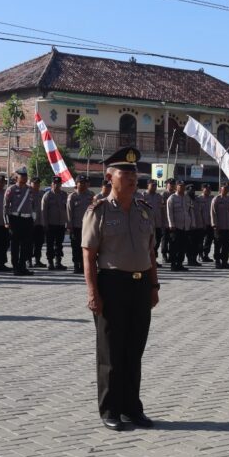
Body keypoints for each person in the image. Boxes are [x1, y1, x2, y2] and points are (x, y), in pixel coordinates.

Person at [81, 146, 159, 432]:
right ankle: (110, 408)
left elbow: (151, 253)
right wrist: (93, 293)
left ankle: (131, 407)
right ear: (110, 177)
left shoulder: (145, 211)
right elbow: (88, 255)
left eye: (134, 173)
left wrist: (154, 286)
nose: (132, 178)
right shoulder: (98, 211)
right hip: (111, 285)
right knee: (111, 352)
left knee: (134, 350)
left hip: (140, 286)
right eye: (125, 173)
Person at [5, 167, 36, 276]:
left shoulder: (30, 190)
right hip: (15, 219)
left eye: (25, 176)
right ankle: (16, 267)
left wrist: (33, 218)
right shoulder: (11, 189)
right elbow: (5, 206)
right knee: (15, 244)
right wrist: (7, 221)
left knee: (26, 245)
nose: (24, 178)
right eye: (22, 176)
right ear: (16, 177)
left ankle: (23, 266)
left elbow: (33, 205)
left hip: (27, 219)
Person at [67, 175, 95, 274]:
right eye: (80, 183)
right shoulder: (72, 197)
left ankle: (84, 265)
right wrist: (70, 226)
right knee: (76, 247)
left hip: (88, 227)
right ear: (76, 184)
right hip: (76, 226)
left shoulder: (91, 195)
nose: (83, 185)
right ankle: (76, 265)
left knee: (87, 247)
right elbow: (69, 212)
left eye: (84, 183)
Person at [42, 176, 69, 270]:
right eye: (54, 184)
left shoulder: (64, 195)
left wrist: (67, 222)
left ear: (61, 184)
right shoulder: (47, 195)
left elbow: (67, 209)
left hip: (61, 224)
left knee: (59, 244)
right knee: (50, 244)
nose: (56, 185)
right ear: (51, 184)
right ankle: (50, 262)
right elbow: (43, 211)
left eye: (58, 184)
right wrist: (45, 224)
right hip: (50, 224)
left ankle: (58, 262)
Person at [165, 181, 192, 271]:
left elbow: (189, 211)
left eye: (183, 186)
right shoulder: (172, 198)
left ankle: (180, 263)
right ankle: (173, 264)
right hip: (176, 227)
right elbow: (169, 213)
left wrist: (191, 223)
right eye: (180, 186)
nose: (182, 188)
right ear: (176, 187)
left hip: (185, 226)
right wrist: (171, 224)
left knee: (183, 246)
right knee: (174, 247)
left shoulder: (187, 198)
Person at [140, 179, 165, 268]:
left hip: (157, 223)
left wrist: (163, 222)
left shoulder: (159, 196)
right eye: (152, 185)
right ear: (148, 185)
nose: (154, 187)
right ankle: (146, 260)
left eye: (155, 185)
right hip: (147, 224)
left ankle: (153, 260)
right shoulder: (143, 196)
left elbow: (162, 210)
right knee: (147, 243)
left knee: (156, 242)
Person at [211, 183, 229, 269]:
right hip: (219, 227)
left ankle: (225, 261)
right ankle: (217, 262)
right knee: (218, 245)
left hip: (228, 227)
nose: (225, 190)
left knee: (226, 245)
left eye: (227, 189)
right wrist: (214, 224)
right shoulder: (216, 199)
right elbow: (213, 213)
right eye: (223, 189)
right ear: (220, 190)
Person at [28, 177, 46, 268]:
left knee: (39, 243)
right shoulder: (27, 193)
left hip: (39, 222)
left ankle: (37, 260)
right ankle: (29, 260)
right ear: (30, 183)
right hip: (30, 222)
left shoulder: (41, 193)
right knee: (29, 243)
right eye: (35, 183)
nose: (37, 185)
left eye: (38, 183)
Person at [196, 183, 215, 263]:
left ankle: (206, 255)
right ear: (202, 190)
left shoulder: (212, 199)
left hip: (210, 223)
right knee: (200, 241)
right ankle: (200, 255)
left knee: (209, 240)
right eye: (206, 189)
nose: (208, 191)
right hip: (201, 223)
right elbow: (197, 212)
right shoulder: (198, 199)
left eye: (209, 189)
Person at [184, 184, 201, 266]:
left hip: (197, 225)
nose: (193, 192)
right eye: (191, 190)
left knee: (196, 243)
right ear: (187, 191)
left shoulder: (197, 199)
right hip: (188, 226)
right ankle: (190, 259)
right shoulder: (184, 199)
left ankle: (194, 259)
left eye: (194, 190)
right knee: (189, 244)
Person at [160, 179, 176, 264]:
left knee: (172, 239)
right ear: (167, 185)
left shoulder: (175, 194)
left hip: (173, 221)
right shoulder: (164, 194)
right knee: (165, 239)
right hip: (165, 220)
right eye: (170, 184)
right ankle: (164, 254)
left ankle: (171, 255)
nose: (172, 186)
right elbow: (162, 208)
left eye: (173, 184)